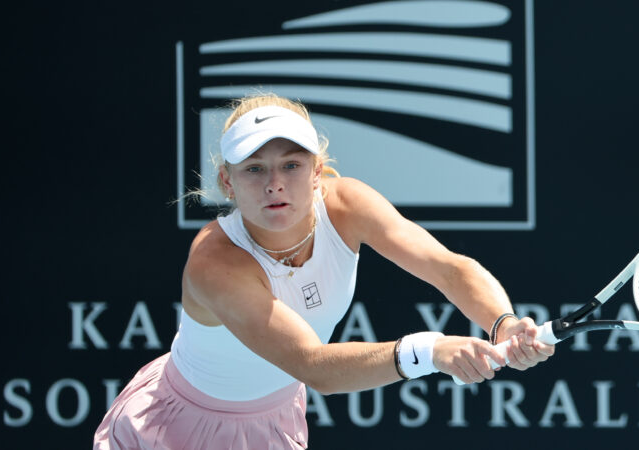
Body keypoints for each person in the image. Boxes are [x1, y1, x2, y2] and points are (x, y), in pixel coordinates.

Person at [94, 94, 553, 449]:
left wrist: (504, 323)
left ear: (317, 172)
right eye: (255, 169)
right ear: (227, 183)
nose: (274, 184)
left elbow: (449, 269)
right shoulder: (215, 262)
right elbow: (314, 366)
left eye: (291, 165)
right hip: (172, 431)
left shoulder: (347, 204)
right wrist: (429, 351)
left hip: (274, 423)